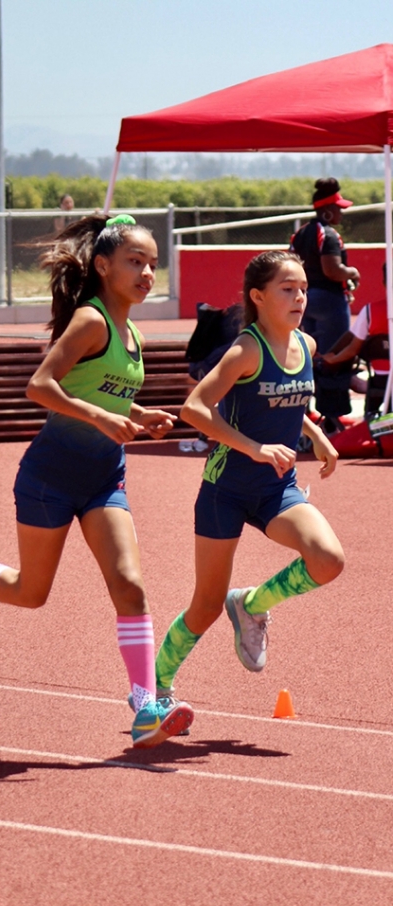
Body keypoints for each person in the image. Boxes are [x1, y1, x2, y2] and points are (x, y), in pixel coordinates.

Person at [0, 215, 190, 746]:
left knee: (130, 585)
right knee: (30, 591)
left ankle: (145, 706)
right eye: (135, 261)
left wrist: (138, 411)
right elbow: (39, 386)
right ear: (103, 266)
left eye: (153, 263)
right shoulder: (90, 320)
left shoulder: (131, 331)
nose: (147, 272)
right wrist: (102, 418)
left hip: (104, 478)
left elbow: (100, 392)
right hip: (50, 476)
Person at [149, 251, 343, 710]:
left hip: (277, 488)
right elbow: (194, 409)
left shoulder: (307, 346)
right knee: (206, 604)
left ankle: (252, 603)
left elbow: (287, 402)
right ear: (258, 297)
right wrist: (254, 449)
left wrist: (314, 434)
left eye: (302, 288)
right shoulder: (246, 350)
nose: (299, 297)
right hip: (227, 489)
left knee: (328, 559)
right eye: (287, 289)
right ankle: (156, 687)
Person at [290, 177, 360, 432]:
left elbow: (292, 265)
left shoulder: (300, 234)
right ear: (327, 210)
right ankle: (332, 418)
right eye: (339, 208)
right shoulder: (328, 234)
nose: (342, 212)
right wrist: (352, 272)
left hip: (305, 300)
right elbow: (333, 270)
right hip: (330, 302)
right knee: (334, 357)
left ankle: (303, 414)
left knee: (306, 357)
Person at [319, 264, 390, 411]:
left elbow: (352, 349)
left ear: (383, 282)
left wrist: (333, 359)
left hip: (381, 380)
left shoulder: (370, 311)